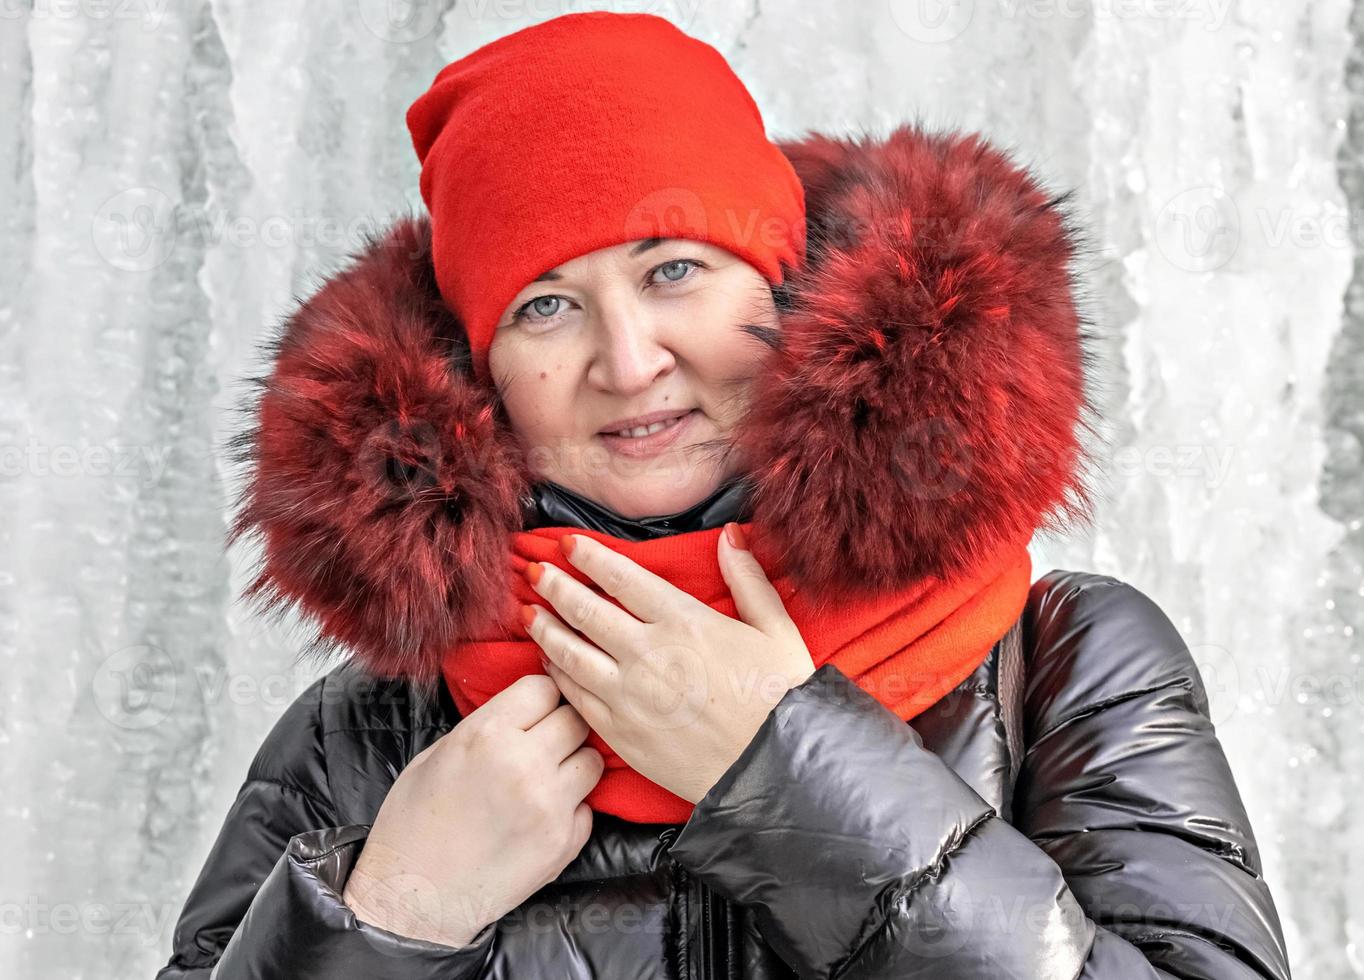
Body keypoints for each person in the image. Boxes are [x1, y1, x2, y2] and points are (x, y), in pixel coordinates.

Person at [157, 11, 1292, 979]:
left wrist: (789, 771)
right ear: (474, 371)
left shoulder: (1067, 660)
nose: (629, 359)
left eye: (673, 272)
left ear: (789, 288)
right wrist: (390, 911)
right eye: (544, 306)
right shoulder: (365, 735)